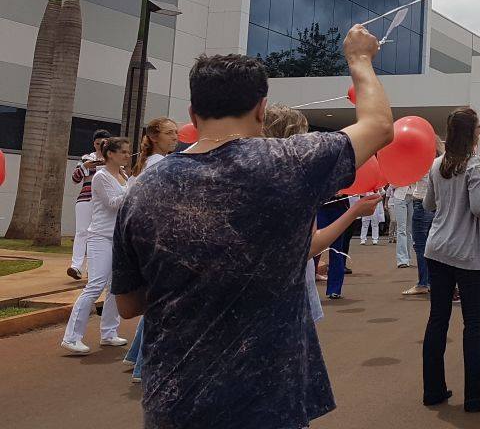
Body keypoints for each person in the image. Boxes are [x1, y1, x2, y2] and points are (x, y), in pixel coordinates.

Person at [110, 24, 394, 429]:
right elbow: (381, 126)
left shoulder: (141, 190)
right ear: (262, 108)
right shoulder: (289, 163)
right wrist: (360, 59)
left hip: (174, 402)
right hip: (268, 403)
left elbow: (129, 305)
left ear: (193, 114)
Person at [422, 107, 480, 412]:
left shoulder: (437, 164)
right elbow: (479, 208)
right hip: (464, 253)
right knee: (474, 323)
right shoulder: (474, 165)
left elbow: (428, 204)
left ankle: (433, 389)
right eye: (478, 128)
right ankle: (477, 394)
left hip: (437, 249)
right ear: (469, 133)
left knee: (438, 319)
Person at [263, 104, 379, 323]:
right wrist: (356, 210)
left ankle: (334, 287)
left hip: (258, 288)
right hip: (289, 292)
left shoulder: (248, 174)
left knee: (337, 252)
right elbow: (308, 247)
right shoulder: (295, 182)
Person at [60, 136, 132, 355]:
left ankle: (109, 332)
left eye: (129, 152)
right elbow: (113, 204)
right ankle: (71, 337)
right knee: (96, 284)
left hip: (117, 238)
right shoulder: (101, 177)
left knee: (114, 286)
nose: (128, 156)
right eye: (124, 152)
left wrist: (132, 184)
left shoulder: (124, 175)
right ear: (111, 154)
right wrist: (134, 187)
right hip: (100, 236)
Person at [121, 117, 179, 382]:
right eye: (169, 133)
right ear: (154, 137)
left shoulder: (145, 165)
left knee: (159, 301)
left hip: (147, 241)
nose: (175, 137)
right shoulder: (160, 165)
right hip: (158, 241)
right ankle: (143, 367)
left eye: (176, 132)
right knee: (163, 303)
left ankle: (135, 356)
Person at [68, 129, 112, 280]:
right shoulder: (86, 158)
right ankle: (76, 266)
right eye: (98, 143)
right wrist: (85, 166)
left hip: (104, 200)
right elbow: (74, 179)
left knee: (97, 233)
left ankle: (91, 268)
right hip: (85, 198)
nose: (101, 146)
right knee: (81, 232)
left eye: (104, 143)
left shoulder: (113, 158)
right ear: (94, 143)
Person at [402, 173, 434, 296]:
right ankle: (430, 281)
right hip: (434, 203)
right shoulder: (440, 161)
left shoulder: (423, 162)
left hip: (421, 202)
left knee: (420, 245)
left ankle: (423, 283)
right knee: (431, 244)